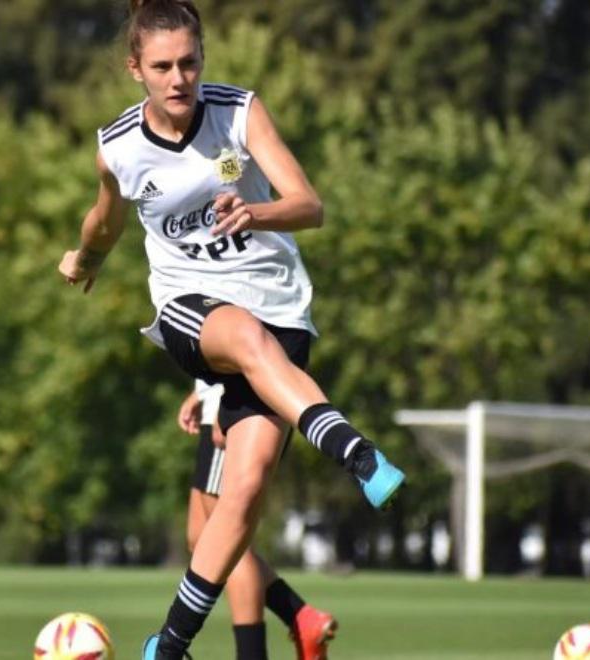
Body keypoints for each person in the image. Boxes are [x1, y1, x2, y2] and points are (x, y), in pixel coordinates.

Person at [57, 1, 406, 657]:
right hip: (189, 307)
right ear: (136, 68)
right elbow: (103, 222)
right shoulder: (119, 146)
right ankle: (358, 455)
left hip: (281, 309)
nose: (178, 78)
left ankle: (170, 644)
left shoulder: (240, 111)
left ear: (202, 60)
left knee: (240, 495)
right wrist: (86, 258)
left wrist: (258, 212)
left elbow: (310, 205)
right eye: (161, 66)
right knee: (243, 336)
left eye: (189, 62)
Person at [179, 381, 336, 660]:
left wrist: (222, 397)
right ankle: (301, 616)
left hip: (235, 404)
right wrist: (202, 390)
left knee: (226, 544)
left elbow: (252, 343)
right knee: (199, 537)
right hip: (225, 395)